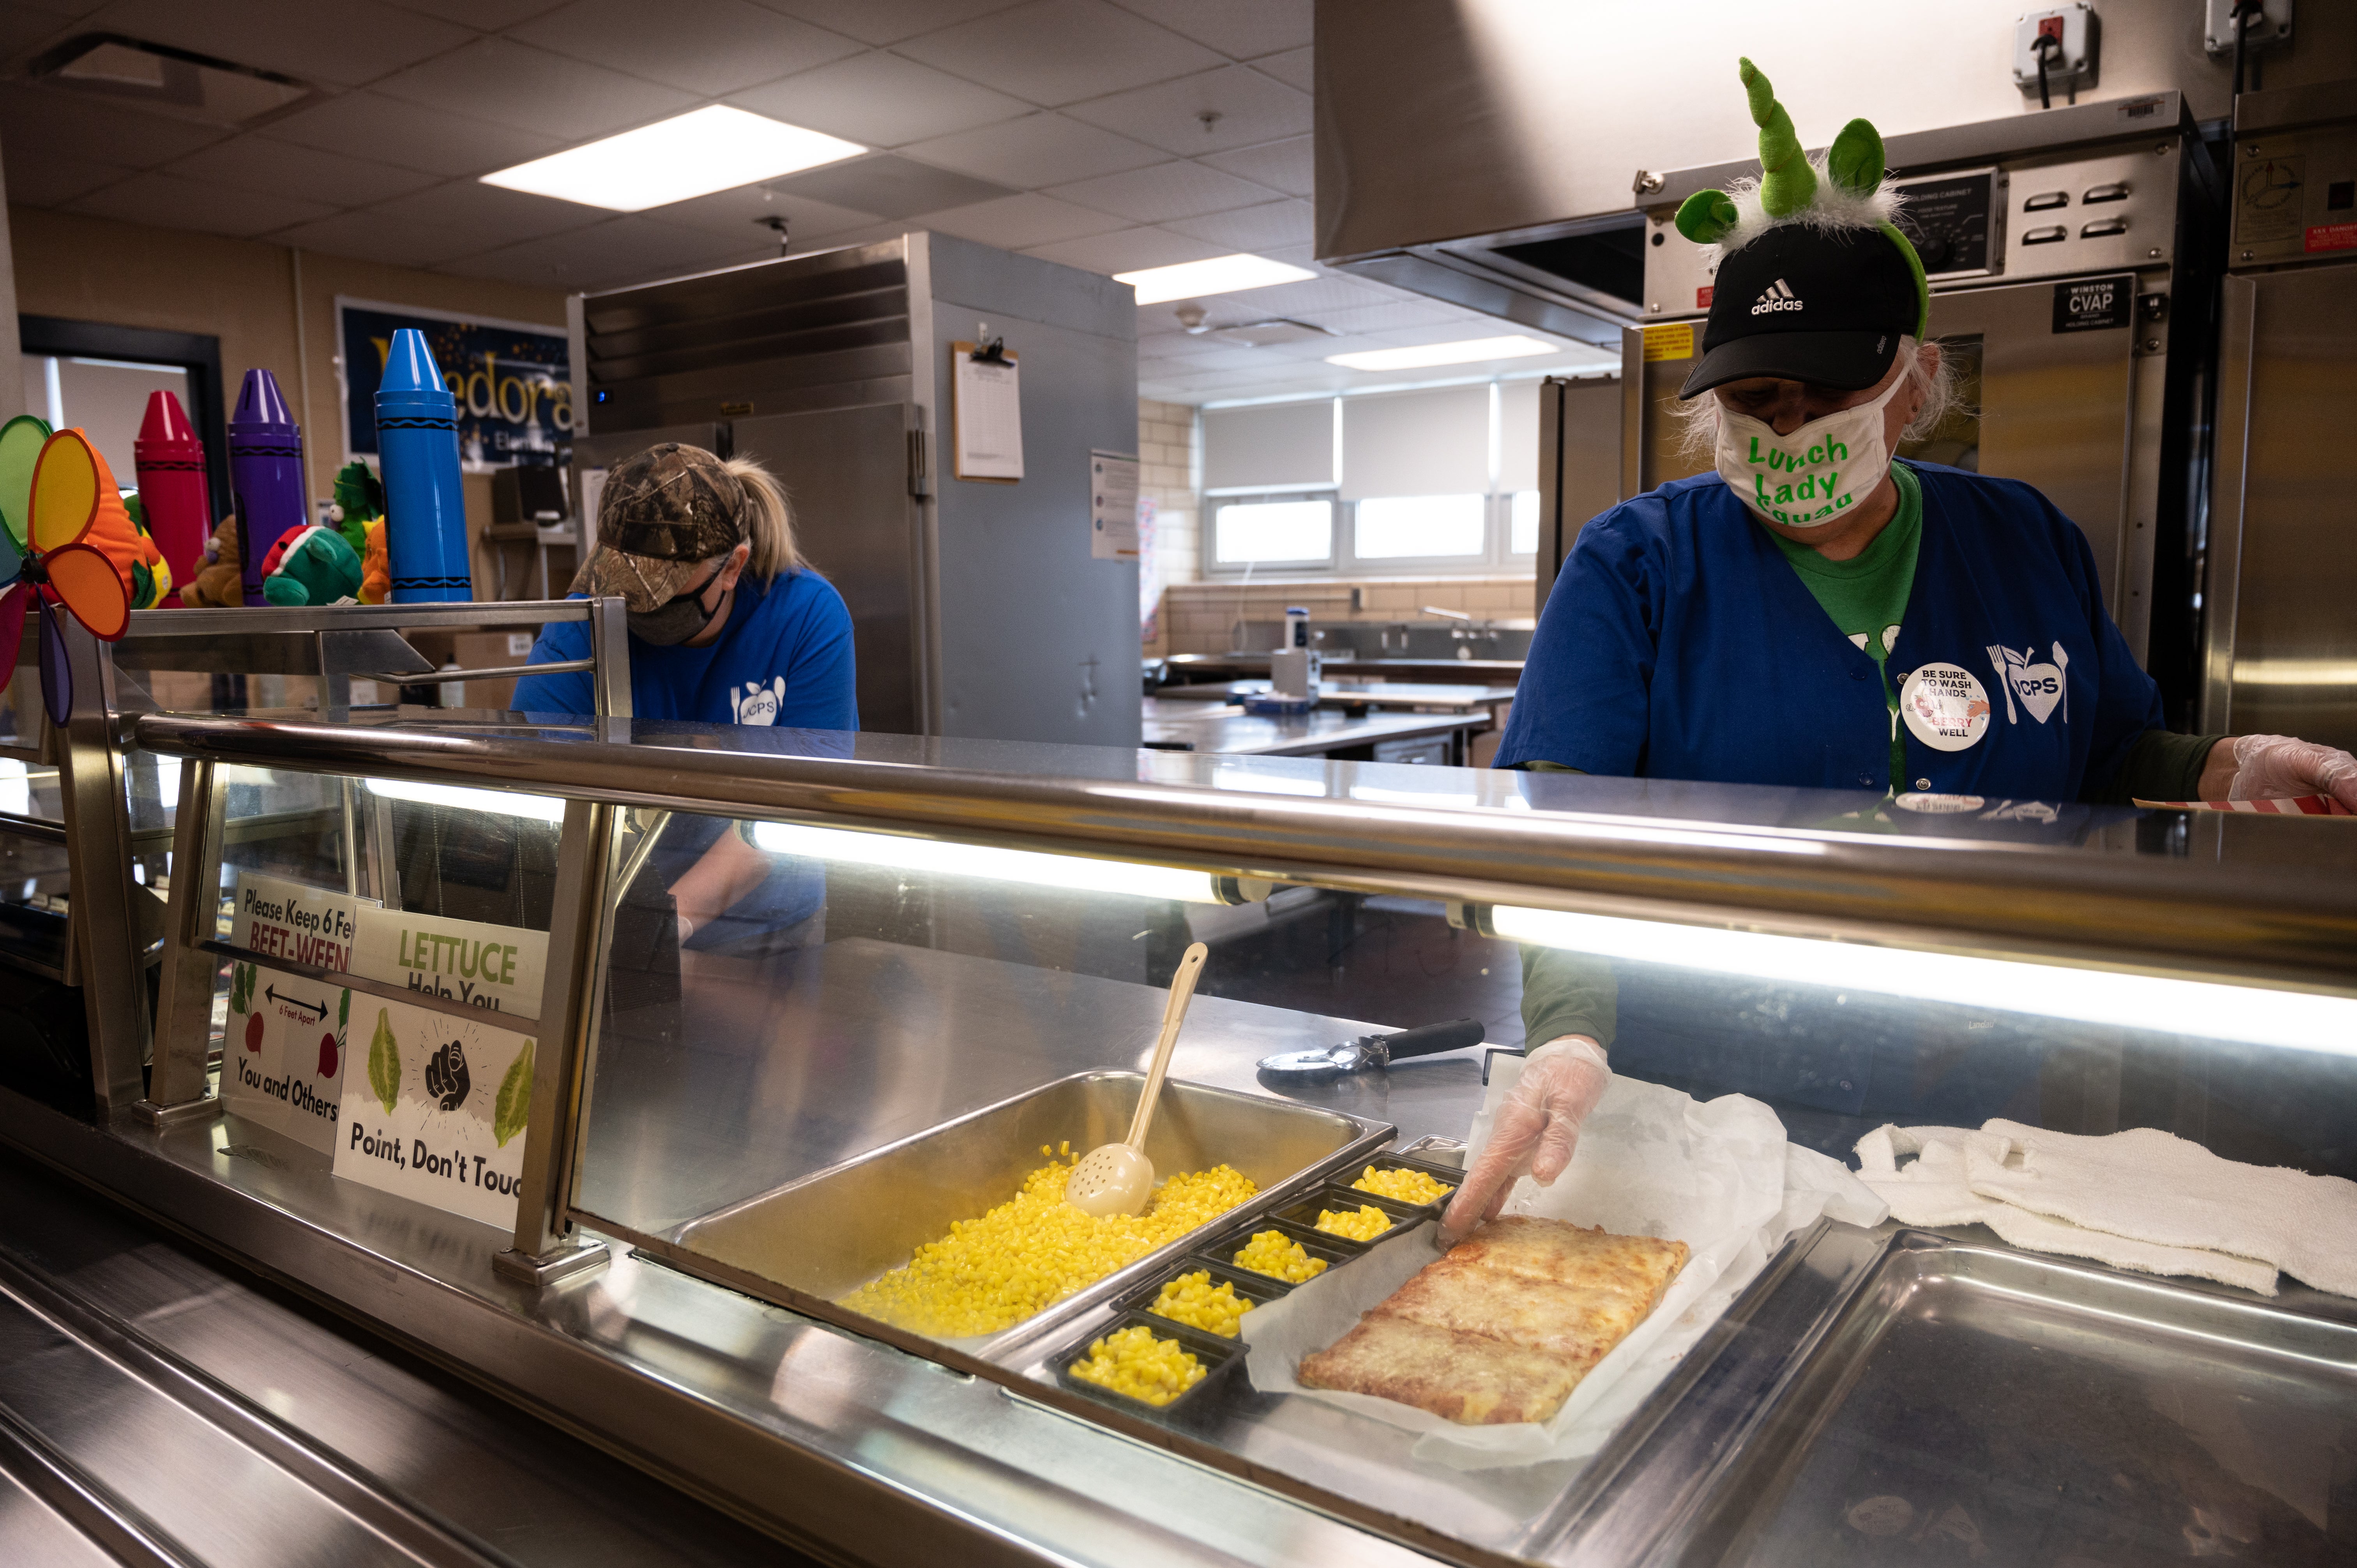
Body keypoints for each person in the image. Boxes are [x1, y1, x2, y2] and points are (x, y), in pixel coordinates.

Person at [1440, 61, 2357, 1243]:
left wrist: (2229, 768)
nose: (1788, 425)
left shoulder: (2023, 538)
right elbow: (1558, 818)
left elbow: (2110, 749)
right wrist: (1569, 1030)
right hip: (1695, 1085)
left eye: (1827, 388)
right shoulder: (1639, 561)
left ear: (1916, 377)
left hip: (1974, 1081)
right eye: (1754, 397)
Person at [515, 442, 857, 955]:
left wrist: (666, 926)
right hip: (610, 914)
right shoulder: (584, 624)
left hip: (765, 932)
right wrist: (613, 923)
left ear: (732, 569)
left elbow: (795, 807)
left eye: (655, 594)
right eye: (620, 587)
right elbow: (534, 776)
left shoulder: (806, 618)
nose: (632, 607)